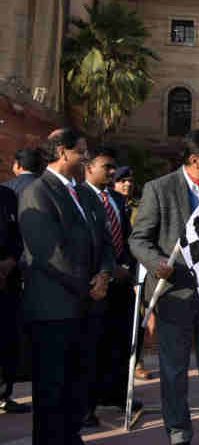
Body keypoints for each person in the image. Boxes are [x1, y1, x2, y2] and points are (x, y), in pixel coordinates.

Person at [129, 129, 199, 445]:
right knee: (174, 370)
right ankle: (178, 432)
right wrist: (156, 262)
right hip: (173, 295)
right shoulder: (159, 189)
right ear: (195, 160)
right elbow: (139, 239)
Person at [19, 128, 114, 445]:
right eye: (81, 151)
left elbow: (104, 241)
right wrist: (87, 286)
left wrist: (104, 274)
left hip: (87, 307)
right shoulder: (38, 192)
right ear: (62, 152)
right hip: (54, 309)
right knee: (52, 392)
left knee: (78, 386)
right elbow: (49, 253)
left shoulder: (86, 194)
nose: (86, 157)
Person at [79, 145, 142, 427]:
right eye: (107, 167)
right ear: (89, 167)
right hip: (94, 285)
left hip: (122, 284)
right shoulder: (79, 197)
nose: (113, 172)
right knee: (92, 346)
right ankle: (85, 406)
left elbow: (127, 239)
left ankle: (116, 393)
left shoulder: (116, 199)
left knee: (119, 341)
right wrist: (105, 271)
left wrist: (126, 268)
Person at [112, 165, 152, 381]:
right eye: (121, 180)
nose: (127, 184)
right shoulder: (105, 203)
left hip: (138, 267)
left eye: (129, 180)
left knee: (139, 317)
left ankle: (137, 362)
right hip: (113, 268)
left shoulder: (139, 206)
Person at [0, 180, 25, 414]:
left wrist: (10, 262)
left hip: (7, 281)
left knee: (7, 339)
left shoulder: (7, 196)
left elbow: (19, 237)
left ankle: (3, 394)